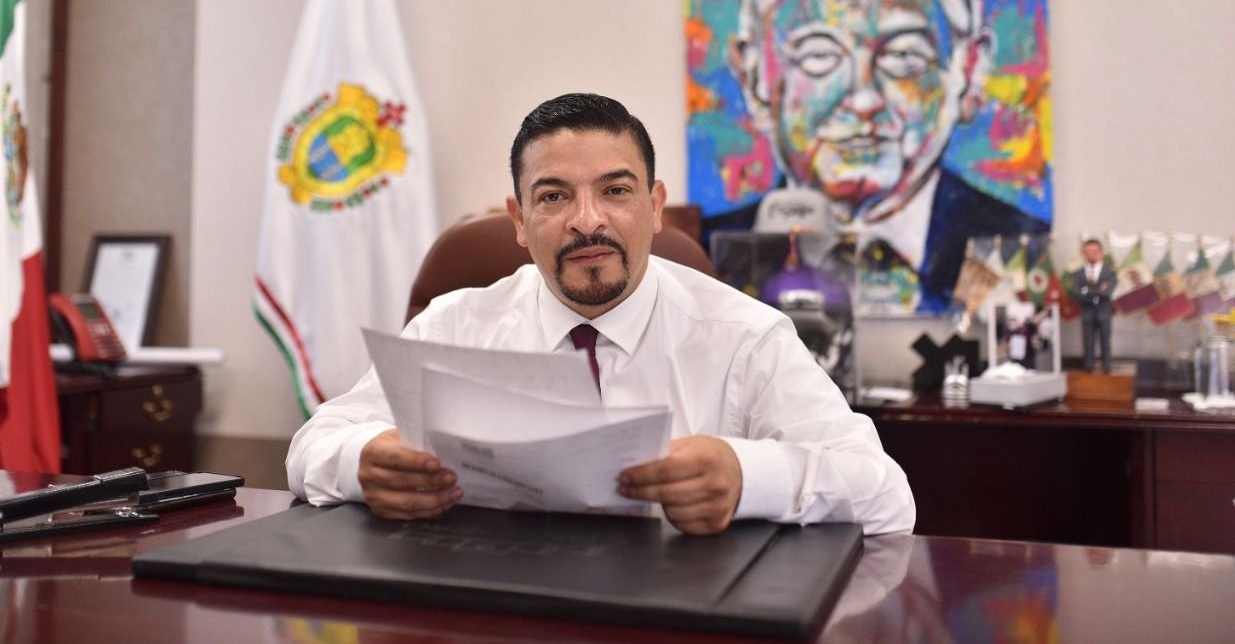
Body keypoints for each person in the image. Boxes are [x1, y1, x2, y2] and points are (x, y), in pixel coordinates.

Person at [287, 93, 915, 536]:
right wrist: (363, 460)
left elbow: (885, 494)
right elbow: (312, 444)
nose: (587, 221)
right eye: (553, 196)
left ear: (654, 207)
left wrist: (747, 475)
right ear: (519, 221)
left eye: (615, 191)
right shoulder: (453, 325)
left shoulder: (744, 336)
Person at [731, 0, 1047, 313]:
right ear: (753, 76)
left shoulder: (1021, 248)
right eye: (819, 55)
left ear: (968, 73)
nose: (864, 99)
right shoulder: (703, 263)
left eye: (902, 56)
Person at [1071, 238, 1114, 373]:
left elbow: (1107, 293)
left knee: (1105, 341)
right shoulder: (1078, 274)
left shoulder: (1109, 273)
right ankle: (1088, 367)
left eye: (1094, 252)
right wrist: (1097, 290)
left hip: (1104, 312)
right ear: (1084, 254)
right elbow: (1076, 293)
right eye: (1088, 252)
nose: (1091, 255)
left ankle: (1107, 367)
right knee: (1088, 342)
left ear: (1101, 253)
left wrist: (1087, 291)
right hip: (1087, 312)